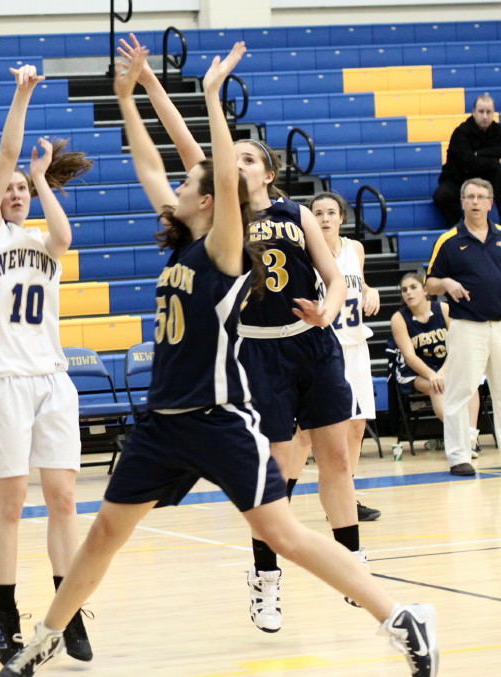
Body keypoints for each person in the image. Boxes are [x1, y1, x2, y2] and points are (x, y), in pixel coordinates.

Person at [0, 43, 438, 677]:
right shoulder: (181, 246)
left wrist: (209, 96)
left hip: (218, 419)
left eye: (188, 185)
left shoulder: (224, 251)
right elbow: (149, 162)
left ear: (210, 201)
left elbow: (220, 174)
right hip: (162, 423)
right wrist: (125, 99)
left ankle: (400, 618)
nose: (175, 187)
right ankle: (46, 636)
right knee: (104, 534)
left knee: (283, 534)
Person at [114, 34, 368, 636]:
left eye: (250, 159)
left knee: (336, 457)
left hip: (311, 343)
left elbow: (335, 277)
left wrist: (328, 310)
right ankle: (266, 579)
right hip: (254, 350)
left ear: (269, 173)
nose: (239, 163)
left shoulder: (296, 213)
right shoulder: (222, 217)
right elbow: (184, 141)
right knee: (275, 473)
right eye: (237, 158)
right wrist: (149, 84)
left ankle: (354, 566)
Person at [0, 63, 93, 665]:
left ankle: (67, 611)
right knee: (11, 504)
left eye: (22, 188)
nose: (15, 192)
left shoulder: (44, 241)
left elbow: (65, 239)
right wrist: (22, 95)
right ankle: (5, 612)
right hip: (2, 385)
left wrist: (41, 178)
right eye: (9, 187)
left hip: (51, 381)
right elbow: (5, 155)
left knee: (64, 499)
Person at [292, 191, 382, 523]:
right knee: (305, 433)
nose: (325, 218)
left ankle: (347, 499)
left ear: (342, 217)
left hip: (355, 345)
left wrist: (370, 291)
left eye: (331, 212)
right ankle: (280, 499)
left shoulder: (355, 249)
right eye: (318, 213)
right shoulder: (303, 252)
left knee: (357, 426)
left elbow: (360, 284)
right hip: (322, 347)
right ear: (309, 219)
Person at [426, 177, 501, 476]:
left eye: (481, 197)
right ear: (462, 202)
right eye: (470, 196)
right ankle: (459, 456)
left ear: (490, 203)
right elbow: (429, 284)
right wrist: (445, 282)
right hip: (467, 326)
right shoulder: (448, 240)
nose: (475, 202)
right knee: (461, 391)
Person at [391, 272, 480, 454]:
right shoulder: (398, 319)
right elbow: (409, 357)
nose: (408, 293)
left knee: (470, 383)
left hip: (447, 363)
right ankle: (460, 436)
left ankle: (471, 436)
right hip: (415, 371)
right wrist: (433, 375)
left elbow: (457, 345)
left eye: (413, 287)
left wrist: (443, 372)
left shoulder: (444, 309)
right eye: (404, 290)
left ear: (425, 291)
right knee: (437, 387)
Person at [433, 94, 501, 227]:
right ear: (474, 112)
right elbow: (469, 163)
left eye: (489, 112)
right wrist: (494, 162)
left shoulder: (498, 130)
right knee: (441, 195)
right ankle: (463, 227)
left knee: (499, 172)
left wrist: (480, 153)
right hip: (459, 179)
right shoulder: (461, 132)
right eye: (481, 111)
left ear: (494, 113)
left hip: (486, 180)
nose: (485, 116)